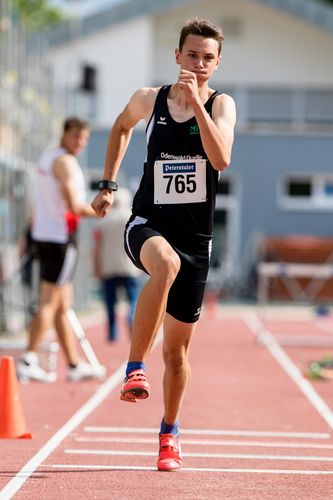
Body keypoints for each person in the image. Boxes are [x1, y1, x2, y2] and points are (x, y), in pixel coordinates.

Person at [91, 17, 236, 471]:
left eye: (207, 58)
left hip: (196, 238)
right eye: (191, 55)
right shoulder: (147, 99)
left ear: (217, 63)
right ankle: (135, 366)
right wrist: (108, 183)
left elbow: (221, 159)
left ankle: (169, 435)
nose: (198, 64)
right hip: (147, 223)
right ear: (176, 56)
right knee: (164, 263)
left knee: (176, 353)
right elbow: (120, 127)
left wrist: (197, 104)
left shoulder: (220, 105)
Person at [17, 117, 103, 383]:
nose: (80, 143)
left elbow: (40, 203)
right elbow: (75, 206)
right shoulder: (65, 163)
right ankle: (29, 358)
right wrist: (100, 209)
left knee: (63, 305)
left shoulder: (46, 158)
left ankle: (75, 365)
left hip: (45, 235)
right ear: (65, 134)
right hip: (59, 239)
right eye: (76, 137)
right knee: (49, 302)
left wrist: (29, 235)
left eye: (84, 139)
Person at [93, 187, 140, 342]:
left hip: (109, 266)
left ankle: (112, 332)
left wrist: (96, 266)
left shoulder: (104, 221)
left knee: (110, 302)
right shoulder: (132, 218)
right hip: (129, 266)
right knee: (133, 299)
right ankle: (132, 316)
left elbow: (97, 246)